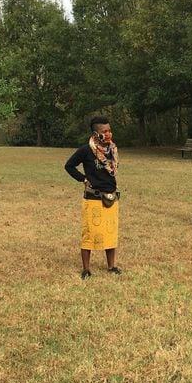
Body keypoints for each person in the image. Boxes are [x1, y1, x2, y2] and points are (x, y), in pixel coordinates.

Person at [64, 116, 121, 279]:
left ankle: (111, 266)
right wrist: (83, 179)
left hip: (111, 197)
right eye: (105, 131)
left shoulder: (113, 149)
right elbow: (69, 166)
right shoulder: (86, 150)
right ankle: (86, 269)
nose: (108, 134)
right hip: (93, 198)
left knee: (111, 234)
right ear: (96, 133)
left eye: (109, 130)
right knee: (89, 233)